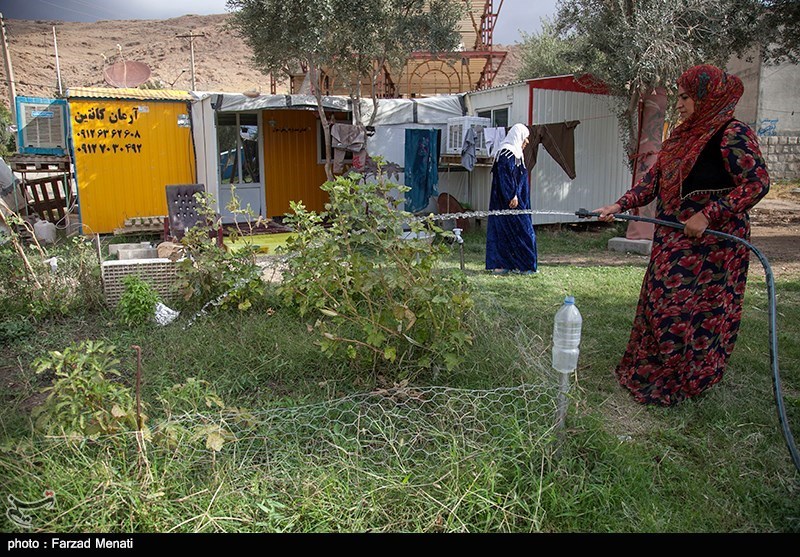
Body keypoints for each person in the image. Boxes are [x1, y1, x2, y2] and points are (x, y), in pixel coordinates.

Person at [593, 64, 770, 406]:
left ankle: (689, 376)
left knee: (692, 312)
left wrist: (709, 213)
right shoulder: (682, 136)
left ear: (707, 97)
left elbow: (757, 183)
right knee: (660, 301)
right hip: (673, 237)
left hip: (714, 246)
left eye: (687, 97)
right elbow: (655, 181)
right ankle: (655, 370)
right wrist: (620, 204)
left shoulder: (732, 133)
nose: (680, 103)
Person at [485, 123, 538, 275]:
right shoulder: (505, 154)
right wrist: (511, 195)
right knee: (517, 231)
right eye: (525, 138)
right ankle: (507, 264)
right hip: (509, 203)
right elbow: (505, 177)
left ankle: (522, 265)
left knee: (520, 232)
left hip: (518, 201)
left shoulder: (516, 154)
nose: (527, 142)